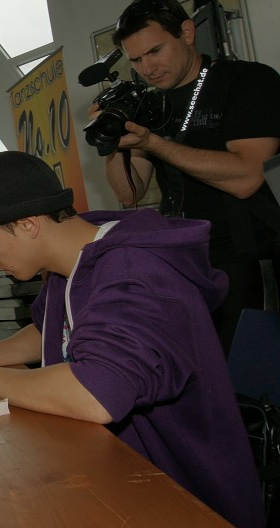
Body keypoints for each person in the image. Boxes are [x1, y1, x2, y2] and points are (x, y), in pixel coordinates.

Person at [0, 151, 264, 528]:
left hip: (189, 505)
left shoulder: (136, 271)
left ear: (28, 224)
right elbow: (55, 329)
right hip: (116, 476)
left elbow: (95, 393)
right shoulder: (67, 264)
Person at [95, 0, 280, 352]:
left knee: (256, 386)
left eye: (155, 51)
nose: (147, 68)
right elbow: (127, 190)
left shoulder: (247, 81)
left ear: (187, 33)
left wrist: (154, 143)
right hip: (186, 262)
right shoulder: (151, 105)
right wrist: (112, 142)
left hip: (253, 260)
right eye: (136, 60)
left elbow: (247, 177)